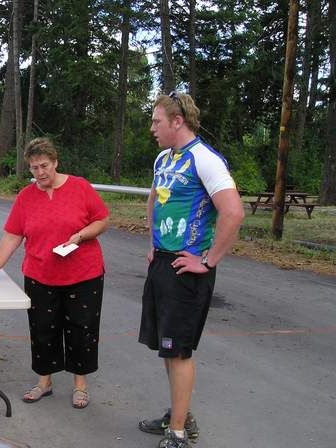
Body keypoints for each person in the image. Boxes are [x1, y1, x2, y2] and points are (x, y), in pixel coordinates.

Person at [138, 92, 244, 448]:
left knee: (179, 350)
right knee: (167, 347)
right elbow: (154, 198)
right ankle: (177, 414)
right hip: (163, 263)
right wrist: (152, 241)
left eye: (156, 121)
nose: (152, 127)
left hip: (189, 269)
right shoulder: (164, 158)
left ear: (177, 121)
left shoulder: (205, 159)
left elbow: (233, 212)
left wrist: (208, 260)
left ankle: (180, 433)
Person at [0, 137, 109, 409]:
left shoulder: (80, 187)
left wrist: (80, 236)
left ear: (55, 162)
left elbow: (102, 219)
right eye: (34, 168)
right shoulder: (26, 197)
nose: (40, 173)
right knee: (42, 330)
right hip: (40, 275)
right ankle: (44, 382)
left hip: (84, 274)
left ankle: (80, 385)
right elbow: (12, 237)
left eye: (44, 166)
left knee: (81, 330)